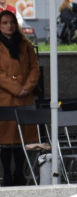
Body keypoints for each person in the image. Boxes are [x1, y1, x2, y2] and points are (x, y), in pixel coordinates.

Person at [0, 10, 39, 186]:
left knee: (22, 139)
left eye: (12, 22)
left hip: (25, 98)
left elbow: (34, 68)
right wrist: (16, 88)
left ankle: (19, 173)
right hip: (5, 98)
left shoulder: (25, 45)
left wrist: (27, 87)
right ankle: (6, 173)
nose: (9, 26)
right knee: (6, 139)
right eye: (5, 23)